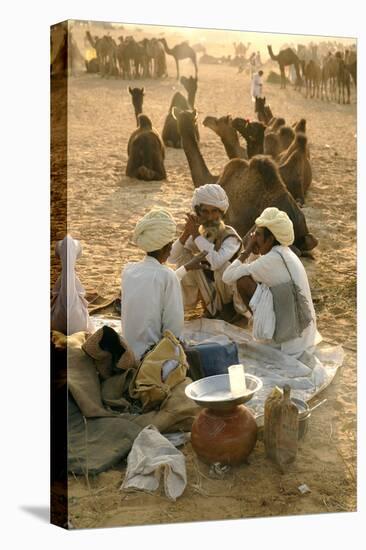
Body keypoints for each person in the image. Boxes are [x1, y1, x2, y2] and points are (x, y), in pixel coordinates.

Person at [222, 207, 321, 358]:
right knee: (250, 279)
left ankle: (263, 330)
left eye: (258, 235)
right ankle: (265, 328)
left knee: (242, 281)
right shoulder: (284, 252)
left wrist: (247, 249)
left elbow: (227, 276)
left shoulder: (271, 260)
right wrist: (254, 250)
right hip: (303, 335)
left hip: (291, 340)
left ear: (270, 239)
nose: (254, 237)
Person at [121, 208, 207, 360]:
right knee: (215, 351)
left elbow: (155, 282)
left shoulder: (128, 270)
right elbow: (173, 331)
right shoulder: (166, 276)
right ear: (168, 247)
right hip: (154, 359)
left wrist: (185, 268)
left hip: (129, 354)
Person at [168, 183, 243, 321]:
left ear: (221, 213)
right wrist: (186, 234)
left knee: (224, 267)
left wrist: (195, 235)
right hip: (211, 295)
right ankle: (207, 307)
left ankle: (229, 311)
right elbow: (172, 258)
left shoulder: (230, 237)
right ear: (198, 213)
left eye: (215, 211)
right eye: (205, 212)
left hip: (232, 299)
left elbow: (215, 262)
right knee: (186, 258)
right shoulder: (200, 234)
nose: (210, 217)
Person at [51, 234, 95, 335]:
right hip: (75, 323)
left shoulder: (61, 245)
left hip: (59, 323)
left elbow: (58, 255)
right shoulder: (75, 245)